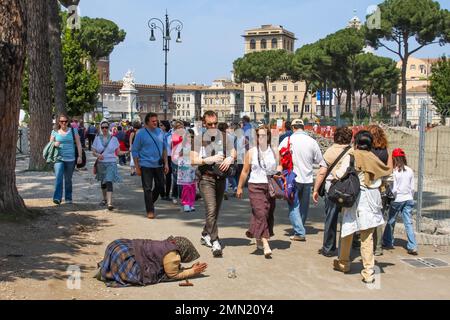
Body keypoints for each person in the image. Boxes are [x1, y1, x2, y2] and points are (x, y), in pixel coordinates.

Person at [332, 131, 391, 283]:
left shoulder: (352, 155)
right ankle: (369, 272)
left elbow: (338, 174)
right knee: (367, 237)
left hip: (355, 197)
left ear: (356, 142)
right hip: (372, 198)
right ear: (370, 144)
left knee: (347, 231)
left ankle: (344, 263)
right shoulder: (374, 158)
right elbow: (386, 175)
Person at [190, 110, 237, 257]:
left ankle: (205, 234)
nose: (213, 126)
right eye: (210, 124)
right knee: (211, 209)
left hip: (221, 178)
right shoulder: (198, 139)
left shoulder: (225, 137)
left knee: (215, 211)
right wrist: (206, 160)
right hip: (206, 178)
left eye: (215, 123)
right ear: (204, 123)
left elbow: (234, 152)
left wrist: (231, 158)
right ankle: (215, 241)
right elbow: (192, 160)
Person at [236, 125, 279, 258]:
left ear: (268, 137)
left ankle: (258, 236)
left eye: (264, 135)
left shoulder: (275, 152)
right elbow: (245, 171)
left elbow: (280, 165)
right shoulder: (251, 152)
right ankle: (266, 242)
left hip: (270, 186)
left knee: (267, 213)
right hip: (255, 186)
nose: (261, 138)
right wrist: (239, 187)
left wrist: (278, 172)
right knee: (260, 212)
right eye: (259, 135)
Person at [96, 236, 208, 287]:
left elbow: (170, 265)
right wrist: (192, 272)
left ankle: (108, 267)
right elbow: (172, 274)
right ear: (184, 252)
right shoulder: (173, 255)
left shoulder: (169, 244)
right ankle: (109, 273)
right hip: (123, 255)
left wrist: (190, 268)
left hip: (119, 246)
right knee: (155, 276)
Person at [279, 119, 323, 242]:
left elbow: (279, 155)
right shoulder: (312, 142)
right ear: (303, 127)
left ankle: (299, 231)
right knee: (303, 207)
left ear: (293, 128)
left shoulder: (287, 140)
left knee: (293, 205)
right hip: (307, 178)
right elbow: (320, 160)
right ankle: (300, 227)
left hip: (292, 178)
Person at [312, 126, 354, 257]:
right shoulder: (353, 151)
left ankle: (329, 248)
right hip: (350, 188)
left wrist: (315, 189)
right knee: (350, 218)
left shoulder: (330, 151)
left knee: (331, 217)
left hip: (333, 188)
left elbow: (322, 172)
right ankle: (349, 247)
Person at [132, 112, 169, 219]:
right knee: (147, 188)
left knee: (161, 185)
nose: (155, 123)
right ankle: (150, 210)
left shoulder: (161, 132)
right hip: (145, 165)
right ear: (147, 122)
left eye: (156, 121)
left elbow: (164, 149)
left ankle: (150, 201)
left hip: (158, 164)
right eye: (153, 121)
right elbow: (135, 151)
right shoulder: (140, 134)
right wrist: (137, 167)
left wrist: (166, 163)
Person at [382, 148, 418, 255]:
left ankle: (388, 241)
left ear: (393, 158)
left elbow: (394, 189)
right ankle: (412, 246)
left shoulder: (394, 172)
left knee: (391, 221)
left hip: (397, 199)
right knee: (408, 223)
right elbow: (412, 188)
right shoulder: (410, 170)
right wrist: (410, 197)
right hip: (408, 199)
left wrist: (390, 195)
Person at [367, 125, 393, 256]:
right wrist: (381, 173)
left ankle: (361, 241)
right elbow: (389, 168)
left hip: (367, 185)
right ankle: (378, 247)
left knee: (363, 213)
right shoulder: (386, 150)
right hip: (381, 186)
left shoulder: (367, 150)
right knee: (378, 216)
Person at [49, 114, 83, 205]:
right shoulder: (55, 131)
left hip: (70, 159)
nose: (63, 123)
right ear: (58, 122)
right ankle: (57, 198)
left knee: (68, 179)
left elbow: (79, 144)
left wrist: (80, 156)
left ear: (68, 122)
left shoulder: (73, 130)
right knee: (58, 178)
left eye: (65, 121)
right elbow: (50, 144)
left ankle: (68, 198)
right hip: (58, 158)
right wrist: (54, 144)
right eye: (61, 121)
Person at [92, 121, 126, 211]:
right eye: (102, 127)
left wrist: (128, 152)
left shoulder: (114, 139)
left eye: (106, 127)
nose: (104, 129)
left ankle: (109, 203)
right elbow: (93, 151)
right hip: (101, 163)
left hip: (111, 163)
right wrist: (97, 155)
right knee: (103, 182)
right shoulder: (97, 138)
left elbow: (118, 152)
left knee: (109, 180)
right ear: (100, 128)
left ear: (109, 128)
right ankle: (104, 198)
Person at [177, 129, 198, 212]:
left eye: (192, 136)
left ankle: (191, 203)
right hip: (185, 167)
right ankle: (185, 203)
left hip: (193, 167)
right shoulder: (181, 145)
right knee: (186, 186)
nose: (190, 138)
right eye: (189, 136)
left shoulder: (196, 146)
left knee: (193, 186)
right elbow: (178, 155)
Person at [160, 120, 173, 201]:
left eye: (161, 125)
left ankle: (167, 194)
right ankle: (162, 193)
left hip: (168, 156)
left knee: (168, 176)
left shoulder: (171, 136)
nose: (159, 127)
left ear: (165, 126)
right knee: (160, 176)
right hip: (159, 157)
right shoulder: (158, 135)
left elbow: (172, 147)